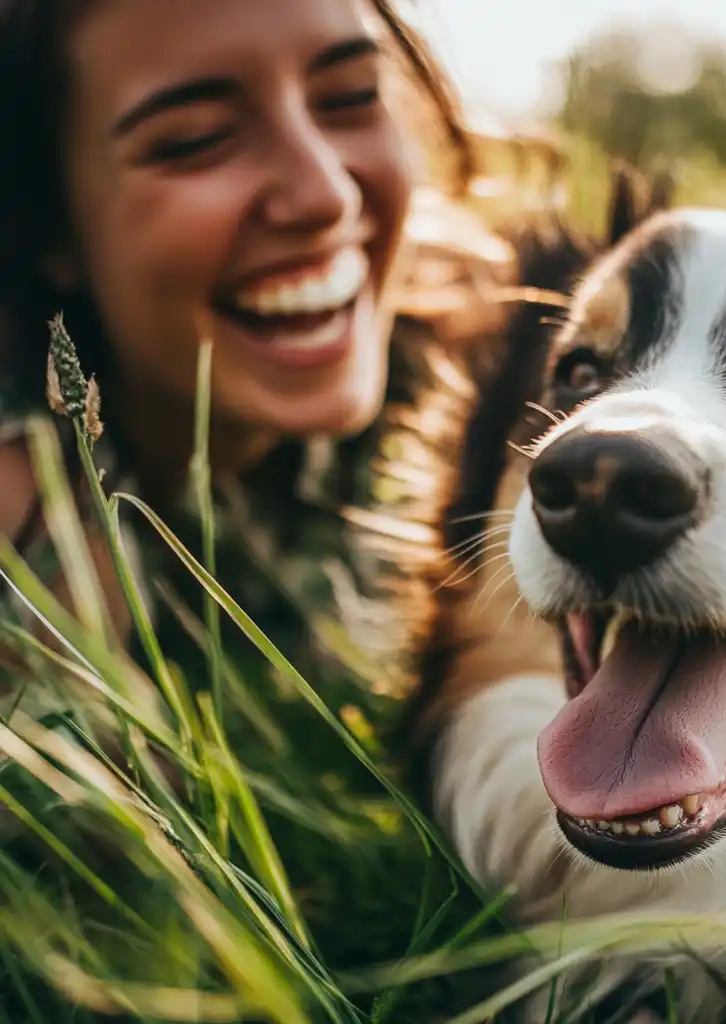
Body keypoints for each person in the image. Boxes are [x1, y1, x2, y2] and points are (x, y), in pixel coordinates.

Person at [0, 0, 589, 1017]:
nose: (322, 191)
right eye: (192, 141)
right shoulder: (29, 528)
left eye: (351, 98)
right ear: (46, 218)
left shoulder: (481, 368)